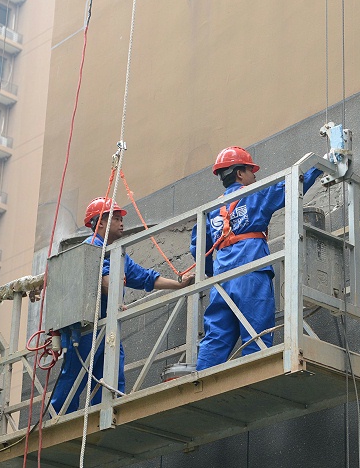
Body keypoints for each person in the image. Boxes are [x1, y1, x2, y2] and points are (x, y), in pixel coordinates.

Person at [51, 197, 194, 414]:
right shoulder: (90, 249)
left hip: (107, 327)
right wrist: (116, 296)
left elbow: (145, 277)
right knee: (76, 373)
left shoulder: (118, 254)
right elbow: (104, 281)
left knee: (111, 374)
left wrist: (178, 284)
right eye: (115, 219)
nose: (121, 223)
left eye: (120, 219)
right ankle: (57, 417)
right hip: (87, 327)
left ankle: (105, 411)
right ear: (99, 223)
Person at [191, 147, 322, 370]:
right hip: (251, 273)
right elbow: (290, 187)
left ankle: (200, 384)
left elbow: (197, 247)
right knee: (256, 333)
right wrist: (319, 167)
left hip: (222, 283)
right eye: (251, 171)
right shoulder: (255, 194)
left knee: (216, 336)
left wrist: (215, 273)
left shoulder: (211, 210)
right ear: (240, 173)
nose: (255, 176)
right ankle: (254, 377)